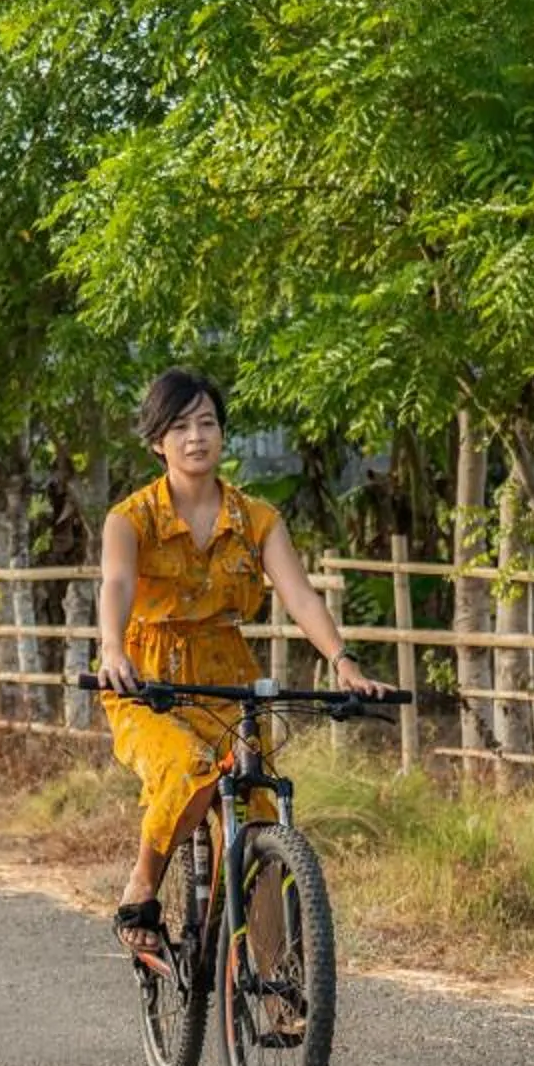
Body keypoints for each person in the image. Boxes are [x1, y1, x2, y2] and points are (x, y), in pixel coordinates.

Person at [94, 368, 383, 958]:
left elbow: (300, 595)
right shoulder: (131, 519)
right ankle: (142, 885)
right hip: (148, 678)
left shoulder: (256, 519)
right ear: (157, 441)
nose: (195, 437)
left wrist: (342, 661)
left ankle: (277, 986)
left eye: (207, 423)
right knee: (189, 767)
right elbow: (117, 585)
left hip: (228, 676)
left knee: (258, 819)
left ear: (223, 435)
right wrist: (111, 649)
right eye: (179, 426)